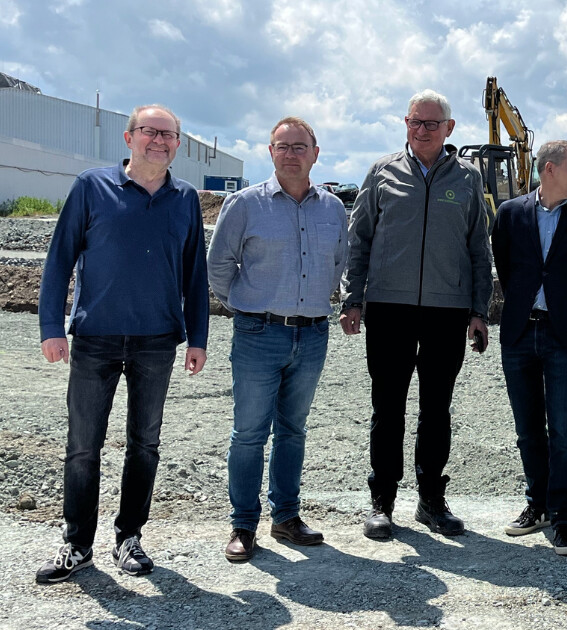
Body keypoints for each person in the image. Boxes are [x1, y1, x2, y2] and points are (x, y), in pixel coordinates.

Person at [35, 104, 208, 583]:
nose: (160, 141)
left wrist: (199, 335)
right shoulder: (91, 187)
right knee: (83, 447)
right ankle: (77, 544)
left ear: (178, 144)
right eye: (151, 132)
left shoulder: (186, 198)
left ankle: (129, 537)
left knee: (145, 445)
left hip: (158, 341)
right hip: (95, 338)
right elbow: (58, 260)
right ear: (129, 137)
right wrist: (52, 326)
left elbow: (195, 275)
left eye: (170, 135)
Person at [342, 89, 493, 539]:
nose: (422, 130)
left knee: (436, 409)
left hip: (448, 311)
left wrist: (479, 310)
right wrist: (353, 297)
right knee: (387, 408)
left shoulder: (467, 179)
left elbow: (478, 249)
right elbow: (360, 238)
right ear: (405, 124)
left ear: (449, 129)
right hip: (389, 307)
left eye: (431, 124)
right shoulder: (382, 173)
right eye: (414, 122)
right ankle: (382, 502)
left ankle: (431, 500)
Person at [208, 116, 348, 562]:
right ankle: (243, 524)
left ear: (315, 153)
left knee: (293, 430)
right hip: (257, 332)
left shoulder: (333, 209)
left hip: (312, 336)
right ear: (270, 152)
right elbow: (218, 266)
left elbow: (340, 265)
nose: (291, 153)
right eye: (282, 146)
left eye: (299, 146)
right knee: (249, 433)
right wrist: (246, 307)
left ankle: (285, 518)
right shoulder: (244, 204)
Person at [492, 140, 567, 556]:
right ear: (550, 169)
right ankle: (537, 504)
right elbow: (505, 266)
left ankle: (564, 519)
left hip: (563, 336)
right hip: (520, 333)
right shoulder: (510, 214)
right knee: (527, 431)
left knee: (564, 433)